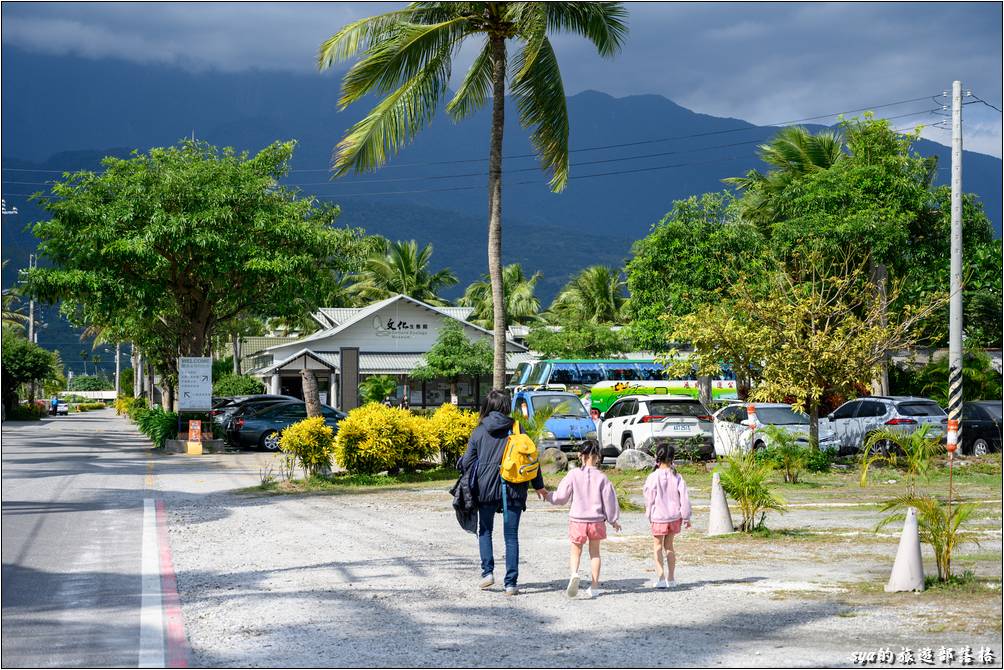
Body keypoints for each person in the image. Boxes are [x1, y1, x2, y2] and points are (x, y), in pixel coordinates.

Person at [460, 389, 547, 596]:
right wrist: (538, 485)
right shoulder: (517, 428)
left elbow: (466, 463)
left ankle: (488, 573)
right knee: (511, 536)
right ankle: (510, 584)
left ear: (487, 406)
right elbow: (530, 458)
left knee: (486, 530)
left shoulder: (480, 430)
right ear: (507, 406)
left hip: (486, 488)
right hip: (514, 487)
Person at [546, 440, 621, 599]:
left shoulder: (573, 474)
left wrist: (548, 495)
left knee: (576, 551)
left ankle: (574, 574)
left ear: (581, 455)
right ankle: (594, 587)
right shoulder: (602, 477)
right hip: (596, 521)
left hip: (578, 519)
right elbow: (609, 501)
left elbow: (561, 497)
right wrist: (613, 520)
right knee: (595, 553)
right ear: (597, 457)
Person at [643, 444, 692, 589]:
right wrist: (686, 516)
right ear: (673, 458)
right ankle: (671, 578)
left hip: (659, 517)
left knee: (657, 546)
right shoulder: (677, 476)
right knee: (669, 547)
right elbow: (684, 497)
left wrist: (649, 513)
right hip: (674, 517)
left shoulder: (653, 476)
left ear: (657, 457)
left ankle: (661, 577)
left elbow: (649, 497)